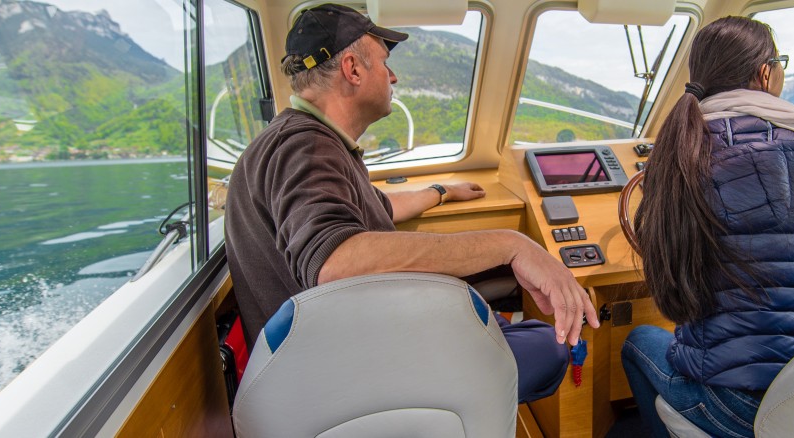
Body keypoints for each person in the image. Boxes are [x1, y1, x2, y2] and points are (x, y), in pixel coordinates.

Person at [225, 3, 599, 403]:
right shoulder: (304, 147)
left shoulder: (311, 142)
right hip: (343, 380)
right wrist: (513, 244)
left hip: (339, 353)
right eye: (385, 63)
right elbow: (334, 261)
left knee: (517, 329)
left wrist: (440, 192)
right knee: (549, 347)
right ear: (352, 69)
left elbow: (377, 208)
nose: (394, 76)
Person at [620, 16, 794, 437]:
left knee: (638, 342)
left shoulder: (679, 150)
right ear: (766, 73)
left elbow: (667, 279)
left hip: (728, 404)